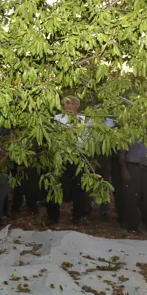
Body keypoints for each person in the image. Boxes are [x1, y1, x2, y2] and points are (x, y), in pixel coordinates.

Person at [46, 95, 91, 224]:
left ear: (77, 106)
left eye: (72, 104)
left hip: (79, 156)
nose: (69, 106)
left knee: (80, 187)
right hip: (61, 156)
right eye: (67, 104)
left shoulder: (84, 120)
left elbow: (89, 138)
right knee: (56, 185)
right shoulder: (57, 119)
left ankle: (79, 216)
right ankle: (53, 216)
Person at [119, 132, 147, 234]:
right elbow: (122, 153)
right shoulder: (131, 133)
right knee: (132, 196)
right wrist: (124, 169)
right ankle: (132, 225)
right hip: (134, 167)